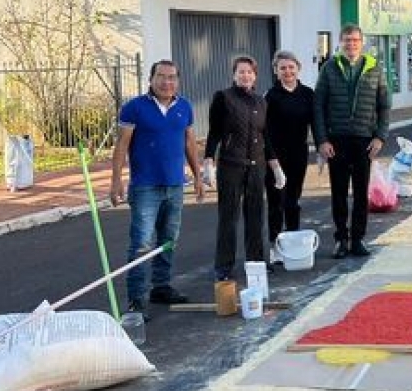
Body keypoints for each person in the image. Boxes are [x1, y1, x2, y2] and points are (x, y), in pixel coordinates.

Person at [110, 60, 204, 315]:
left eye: (172, 77)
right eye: (161, 77)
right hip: (145, 189)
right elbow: (121, 146)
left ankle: (161, 287)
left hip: (175, 186)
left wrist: (197, 176)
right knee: (141, 244)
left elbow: (189, 143)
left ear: (178, 80)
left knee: (168, 240)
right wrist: (116, 180)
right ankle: (135, 301)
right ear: (151, 79)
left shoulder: (184, 107)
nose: (166, 82)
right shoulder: (134, 108)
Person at [203, 56, 285, 282]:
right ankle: (223, 266)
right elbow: (214, 132)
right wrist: (208, 160)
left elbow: (264, 135)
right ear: (234, 74)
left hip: (257, 167)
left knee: (255, 215)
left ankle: (256, 261)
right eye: (241, 71)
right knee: (228, 217)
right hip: (231, 165)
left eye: (249, 72)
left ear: (255, 76)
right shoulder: (223, 98)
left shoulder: (261, 101)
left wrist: (275, 164)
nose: (245, 75)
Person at [314, 25, 390, 258]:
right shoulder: (329, 68)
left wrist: (380, 136)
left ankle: (357, 239)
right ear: (340, 42)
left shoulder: (374, 69)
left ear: (362, 42)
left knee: (360, 193)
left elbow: (384, 105)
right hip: (336, 140)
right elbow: (318, 106)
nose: (351, 44)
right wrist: (322, 140)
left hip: (363, 140)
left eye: (356, 40)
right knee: (338, 193)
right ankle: (341, 240)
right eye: (347, 40)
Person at [264, 50, 315, 258]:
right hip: (275, 157)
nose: (287, 71)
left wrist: (321, 146)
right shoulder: (270, 96)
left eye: (291, 67)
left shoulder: (308, 94)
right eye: (282, 68)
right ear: (276, 71)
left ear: (298, 69)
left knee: (293, 200)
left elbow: (316, 123)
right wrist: (272, 160)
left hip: (299, 154)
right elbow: (264, 130)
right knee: (276, 202)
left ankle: (293, 242)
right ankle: (275, 246)